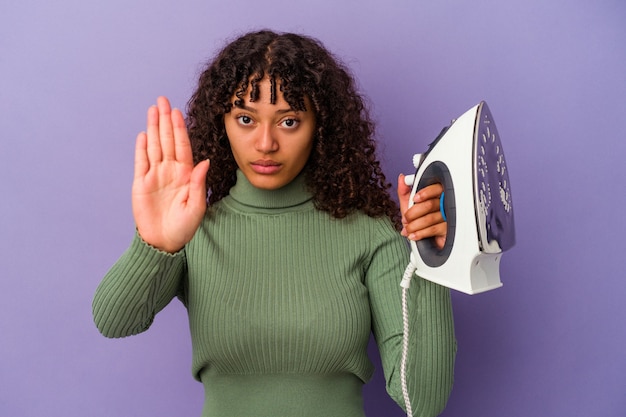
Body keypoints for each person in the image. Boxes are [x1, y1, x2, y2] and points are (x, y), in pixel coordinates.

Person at [93, 30, 456, 417]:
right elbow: (115, 322)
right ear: (223, 123)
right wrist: (155, 245)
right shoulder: (194, 229)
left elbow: (423, 400)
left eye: (289, 122)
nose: (265, 143)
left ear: (321, 127)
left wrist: (428, 259)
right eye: (246, 119)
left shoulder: (371, 232)